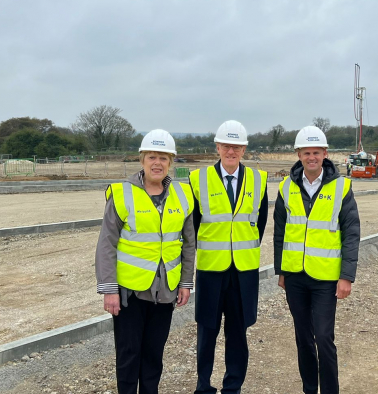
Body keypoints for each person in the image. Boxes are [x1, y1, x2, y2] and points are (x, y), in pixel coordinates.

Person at [94, 129, 196, 394]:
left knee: (153, 354)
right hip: (130, 292)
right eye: (152, 156)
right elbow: (107, 244)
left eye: (163, 157)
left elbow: (188, 244)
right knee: (129, 354)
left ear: (170, 162)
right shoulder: (121, 194)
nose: (157, 163)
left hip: (165, 291)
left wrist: (185, 283)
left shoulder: (183, 196)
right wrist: (109, 289)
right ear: (142, 160)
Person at [273, 125, 361, 394]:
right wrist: (281, 271)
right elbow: (280, 232)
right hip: (296, 277)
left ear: (325, 153)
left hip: (325, 278)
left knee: (323, 337)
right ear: (299, 154)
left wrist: (346, 276)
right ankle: (310, 389)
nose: (311, 157)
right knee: (303, 339)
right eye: (306, 152)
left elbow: (352, 233)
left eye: (316, 152)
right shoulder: (286, 187)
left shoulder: (341, 187)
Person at [190, 120, 268, 394]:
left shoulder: (259, 180)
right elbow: (194, 226)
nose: (231, 151)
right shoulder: (197, 179)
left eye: (236, 146)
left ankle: (232, 386)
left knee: (237, 333)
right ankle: (203, 385)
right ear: (218, 147)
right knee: (206, 332)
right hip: (212, 271)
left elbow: (259, 224)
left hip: (243, 272)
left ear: (244, 149)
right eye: (226, 146)